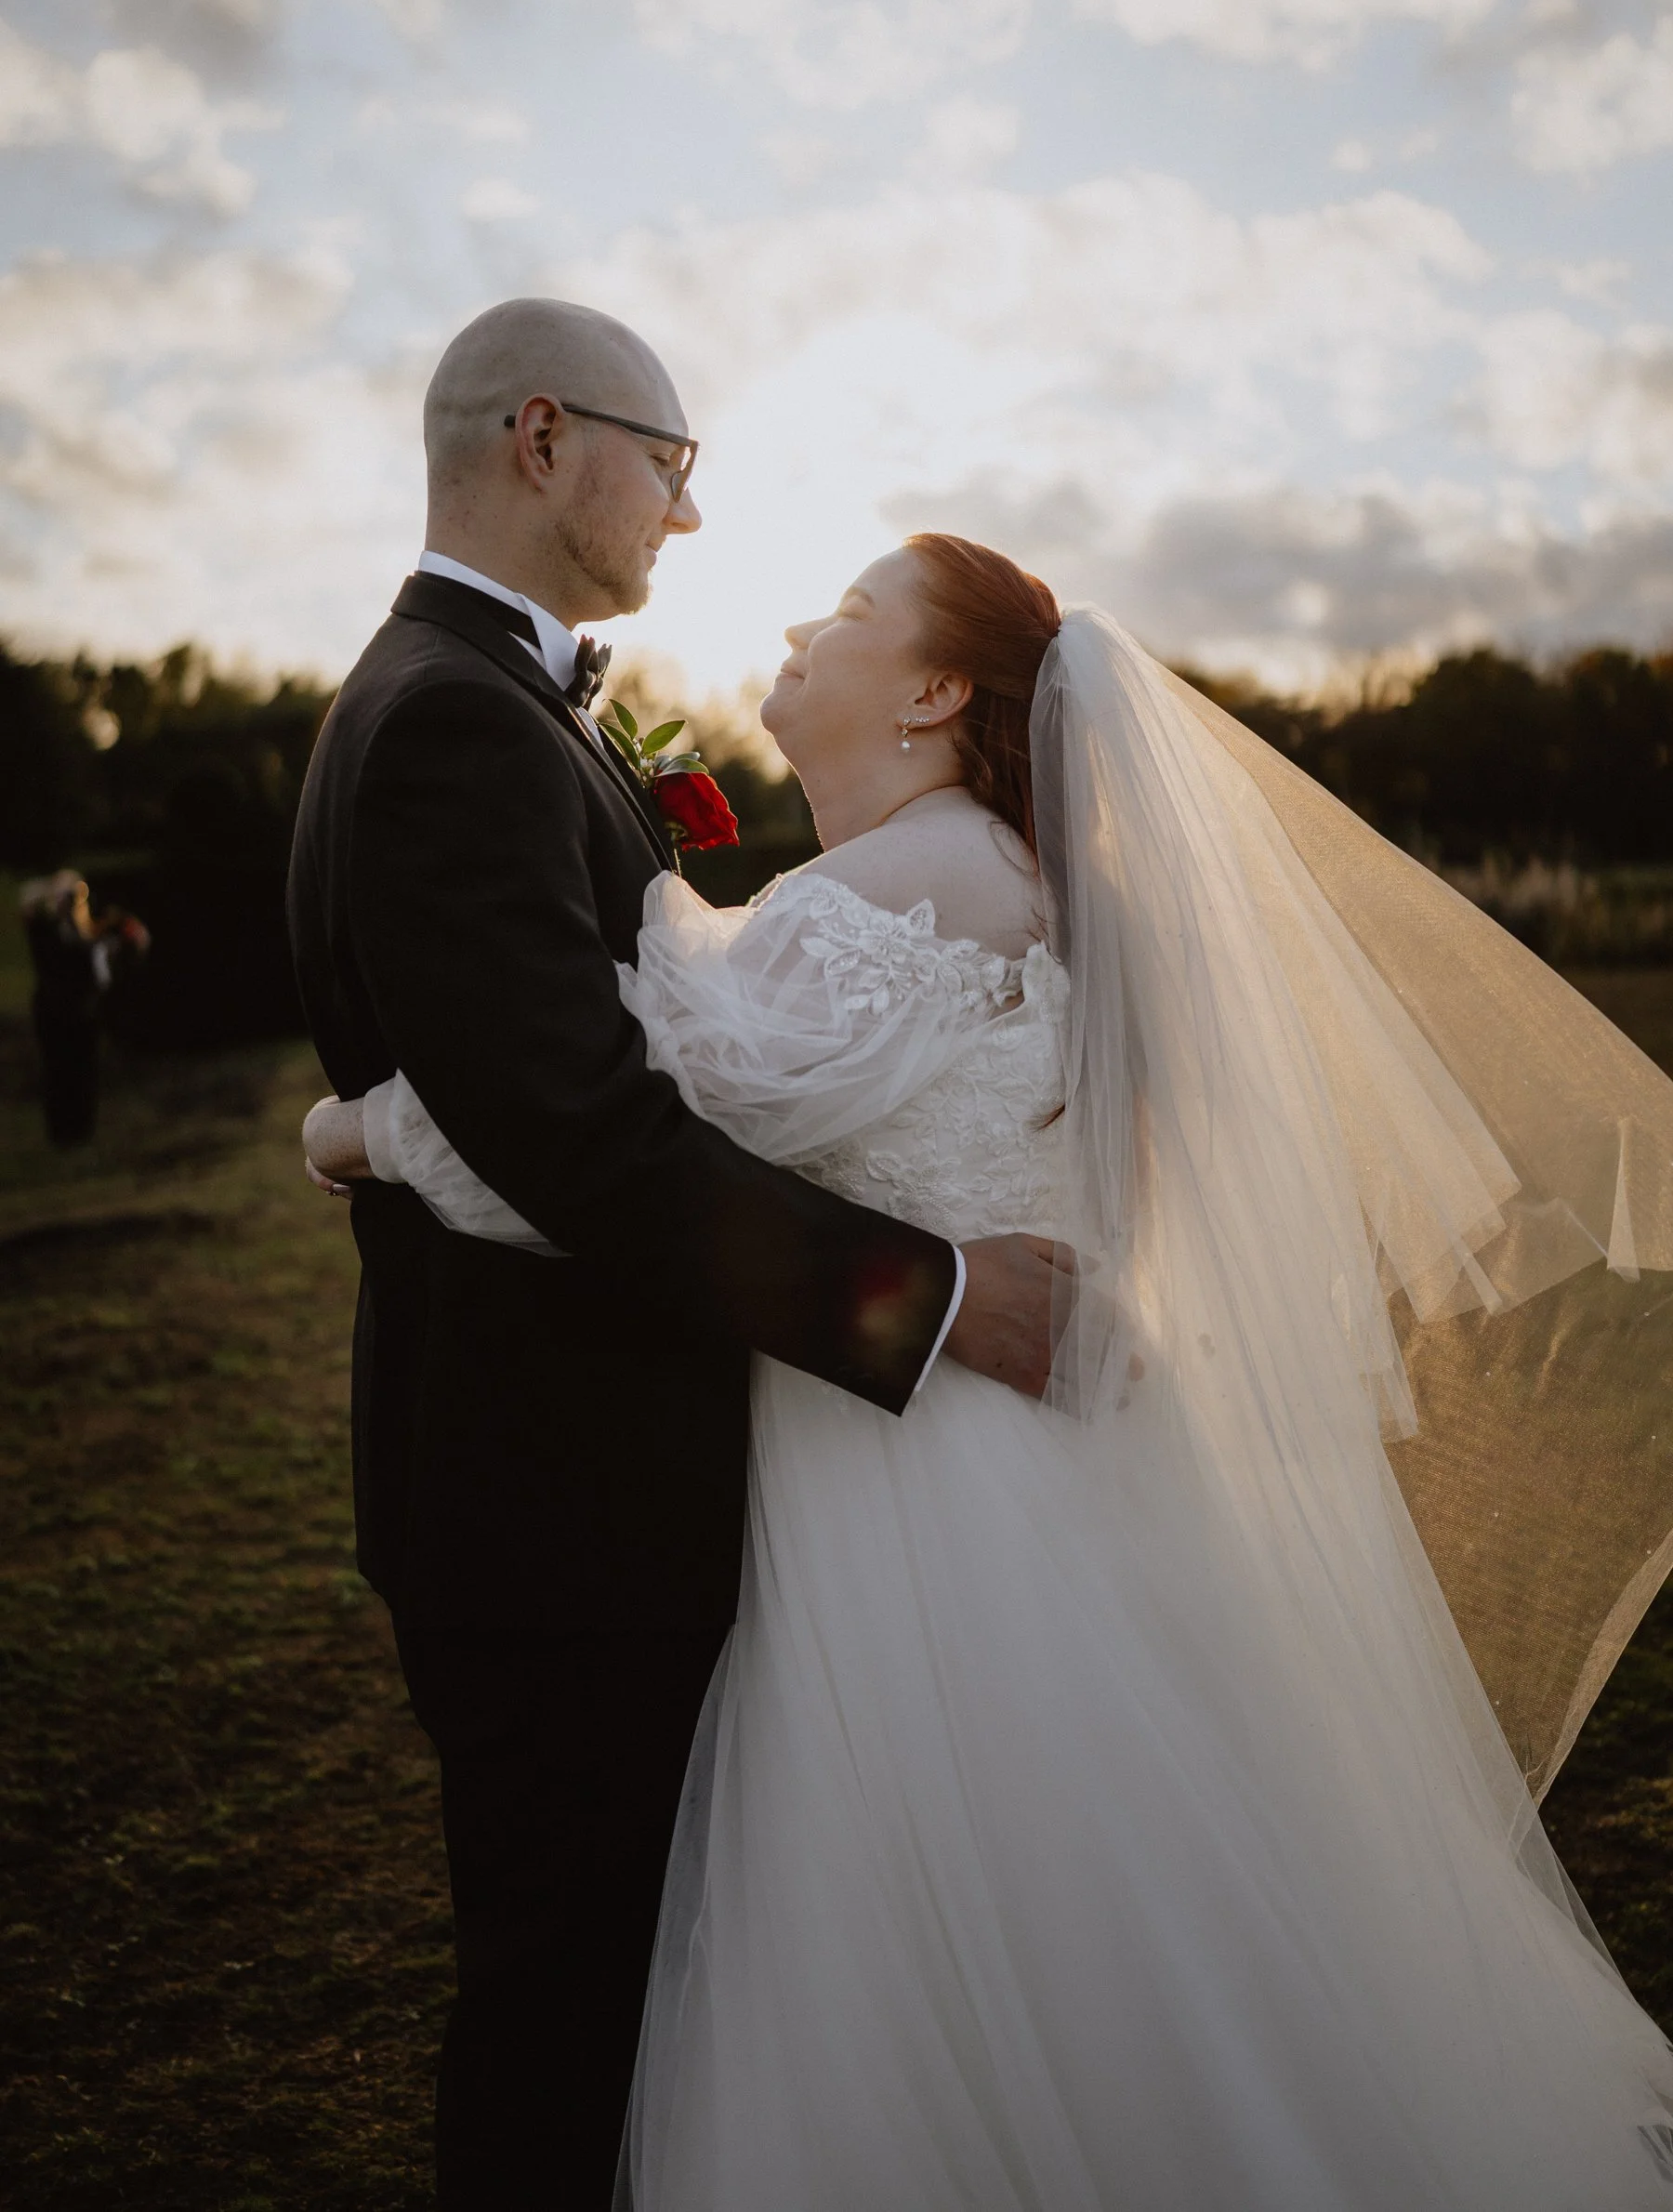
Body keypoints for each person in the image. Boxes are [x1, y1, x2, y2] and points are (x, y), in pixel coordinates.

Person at [315, 531, 1673, 2206]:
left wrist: (357, 1128)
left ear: (940, 689)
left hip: (930, 1501)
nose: (808, 622)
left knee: (972, 1940)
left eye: (855, 610)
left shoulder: (909, 888)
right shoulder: (1008, 877)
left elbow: (596, 1130)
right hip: (1035, 1468)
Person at [285, 301, 1058, 2209]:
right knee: (569, 2046)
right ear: (546, 439)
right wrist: (938, 1298)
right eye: (676, 464)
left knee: (630, 2027)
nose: (694, 521)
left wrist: (357, 1128)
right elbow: (599, 1152)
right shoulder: (458, 722)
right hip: (556, 1524)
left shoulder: (489, 704)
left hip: (599, 1504)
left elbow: (620, 1102)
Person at [21, 871, 149, 1144]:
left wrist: (121, 938)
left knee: (81, 1072)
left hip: (79, 1012)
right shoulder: (50, 930)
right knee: (61, 1073)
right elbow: (74, 953)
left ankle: (78, 1132)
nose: (77, 901)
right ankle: (65, 1134)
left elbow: (102, 961)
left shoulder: (78, 931)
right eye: (71, 896)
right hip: (59, 1012)